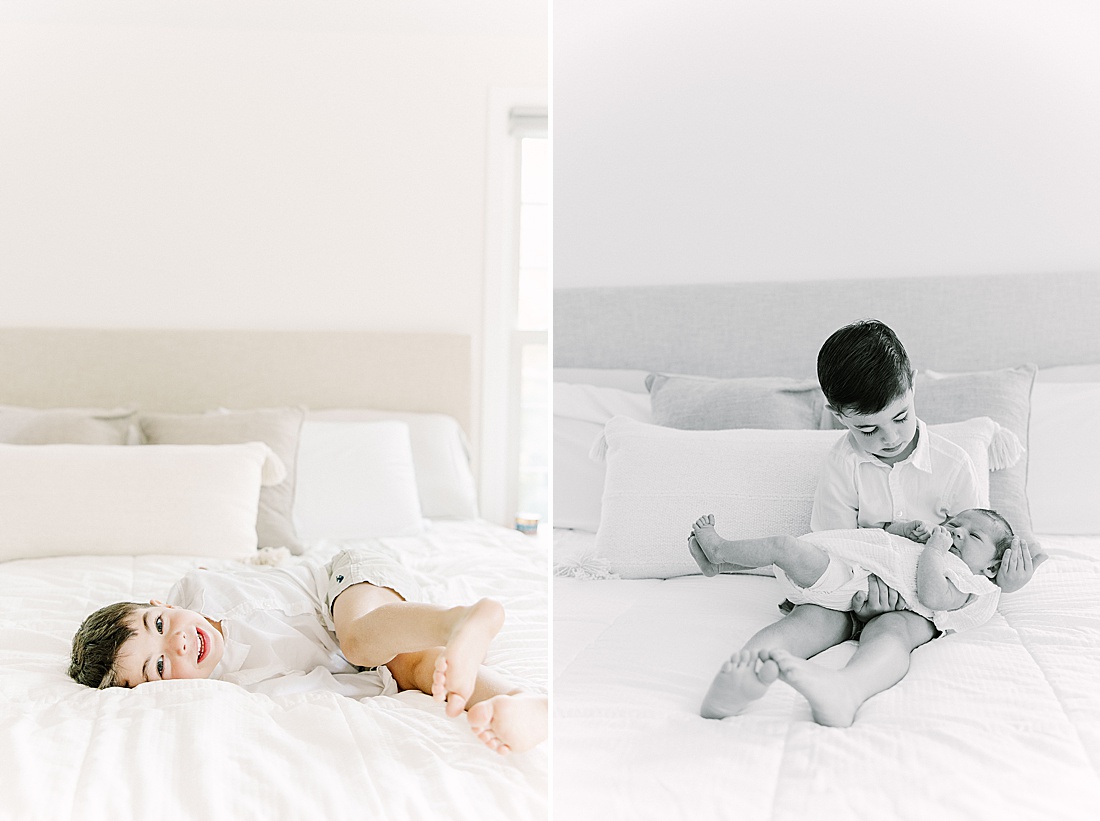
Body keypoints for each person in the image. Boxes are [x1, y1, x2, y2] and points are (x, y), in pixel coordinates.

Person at [693, 318, 1044, 727]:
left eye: (900, 417)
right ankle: (742, 674)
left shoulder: (953, 465)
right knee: (811, 619)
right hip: (851, 585)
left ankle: (847, 690)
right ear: (838, 415)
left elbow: (975, 555)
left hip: (916, 602)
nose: (889, 437)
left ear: (912, 385)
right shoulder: (843, 466)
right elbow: (834, 542)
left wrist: (1007, 581)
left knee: (893, 632)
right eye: (868, 428)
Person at [68, 548, 547, 755]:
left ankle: (462, 618)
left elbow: (257, 567)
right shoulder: (236, 689)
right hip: (372, 644)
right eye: (159, 665)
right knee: (419, 668)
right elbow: (331, 680)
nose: (176, 643)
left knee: (357, 636)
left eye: (159, 624)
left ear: (165, 604)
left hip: (344, 584)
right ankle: (525, 703)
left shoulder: (198, 587)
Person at [688, 508, 1011, 637]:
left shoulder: (970, 583)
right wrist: (905, 530)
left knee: (784, 547)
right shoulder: (935, 547)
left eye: (974, 536)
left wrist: (935, 551)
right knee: (784, 554)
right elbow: (879, 538)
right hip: (844, 569)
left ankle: (719, 549)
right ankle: (722, 564)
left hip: (849, 582)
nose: (958, 533)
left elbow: (932, 595)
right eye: (955, 525)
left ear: (991, 567)